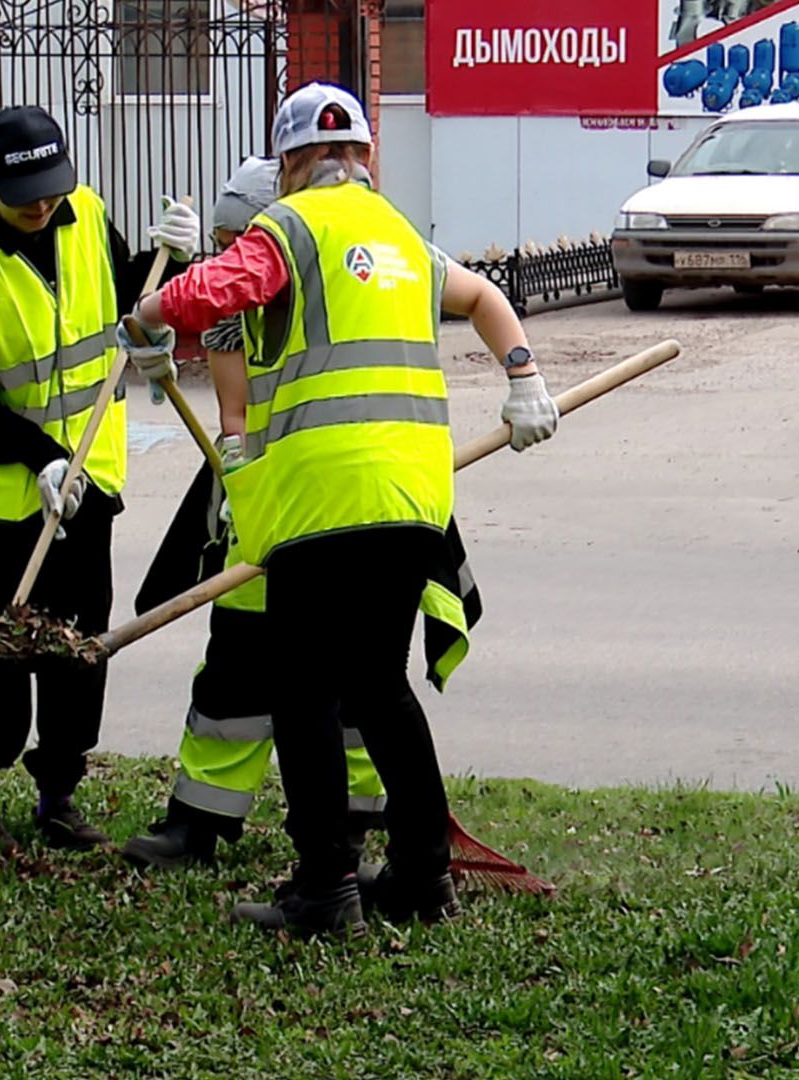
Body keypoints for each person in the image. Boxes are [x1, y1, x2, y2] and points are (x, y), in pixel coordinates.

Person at [123, 82, 559, 936]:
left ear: (289, 164)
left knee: (304, 691)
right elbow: (482, 299)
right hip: (414, 496)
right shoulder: (401, 232)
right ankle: (424, 876)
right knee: (380, 686)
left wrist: (142, 312)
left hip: (324, 498)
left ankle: (327, 887)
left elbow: (214, 294)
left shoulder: (288, 226)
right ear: (365, 157)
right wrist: (523, 378)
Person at [0, 104, 197, 849]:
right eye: (25, 196)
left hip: (88, 485)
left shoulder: (84, 212)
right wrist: (38, 456)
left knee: (78, 650)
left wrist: (175, 265)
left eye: (51, 189)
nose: (43, 206)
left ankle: (59, 794)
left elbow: (130, 292)